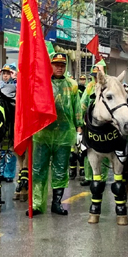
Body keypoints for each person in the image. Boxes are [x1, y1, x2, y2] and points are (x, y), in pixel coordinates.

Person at [29, 52, 82, 216]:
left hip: (64, 135)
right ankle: (36, 204)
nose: (59, 67)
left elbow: (77, 108)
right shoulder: (40, 84)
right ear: (49, 65)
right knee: (38, 170)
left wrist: (79, 130)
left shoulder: (72, 85)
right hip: (42, 134)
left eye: (62, 64)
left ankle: (57, 203)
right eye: (56, 64)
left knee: (60, 170)